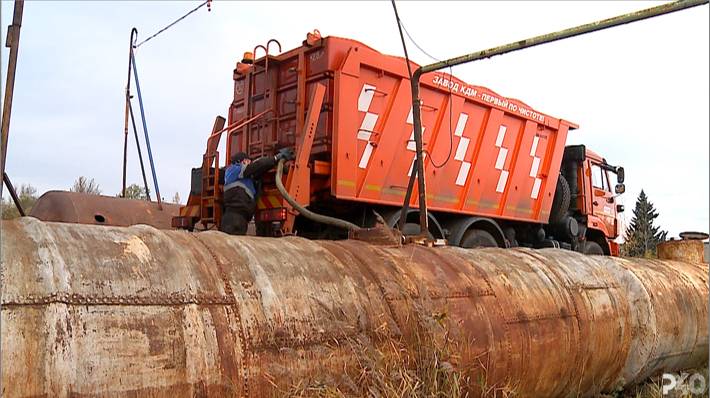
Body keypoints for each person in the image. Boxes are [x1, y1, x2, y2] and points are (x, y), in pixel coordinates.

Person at [220, 148, 295, 235]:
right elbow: (255, 167)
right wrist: (276, 158)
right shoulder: (234, 170)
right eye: (248, 161)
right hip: (234, 218)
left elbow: (256, 171)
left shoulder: (239, 176)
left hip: (237, 217)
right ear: (242, 161)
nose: (250, 163)